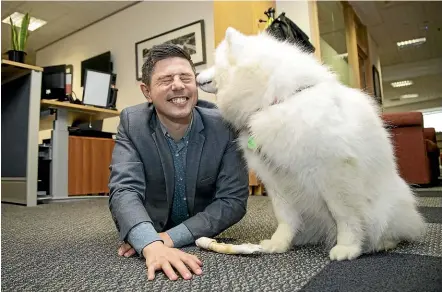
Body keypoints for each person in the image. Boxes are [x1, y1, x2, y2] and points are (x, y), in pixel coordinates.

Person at [108, 43, 249, 281]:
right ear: (147, 91)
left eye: (186, 77)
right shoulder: (132, 123)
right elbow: (124, 190)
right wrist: (150, 244)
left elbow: (232, 200)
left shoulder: (224, 125)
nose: (178, 85)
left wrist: (166, 239)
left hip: (200, 227)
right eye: (165, 80)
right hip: (153, 221)